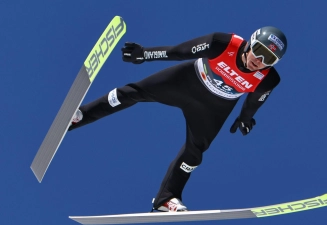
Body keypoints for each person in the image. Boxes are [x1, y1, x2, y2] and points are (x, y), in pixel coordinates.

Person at [68, 26, 288, 212]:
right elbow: (180, 52)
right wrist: (144, 54)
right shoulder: (223, 43)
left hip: (214, 108)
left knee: (195, 153)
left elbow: (255, 101)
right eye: (258, 51)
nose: (259, 61)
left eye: (269, 59)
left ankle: (166, 199)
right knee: (132, 93)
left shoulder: (267, 79)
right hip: (186, 82)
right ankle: (80, 116)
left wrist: (244, 118)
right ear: (250, 44)